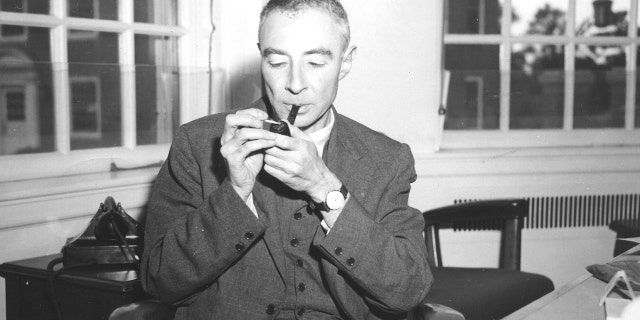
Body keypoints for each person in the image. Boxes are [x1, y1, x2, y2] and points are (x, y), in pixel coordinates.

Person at [141, 0, 432, 319]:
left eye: (316, 63)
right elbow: (159, 283)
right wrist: (236, 193)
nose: (294, 84)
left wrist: (324, 187)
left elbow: (407, 291)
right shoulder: (196, 144)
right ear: (261, 59)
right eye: (278, 62)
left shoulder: (386, 159)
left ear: (345, 63)